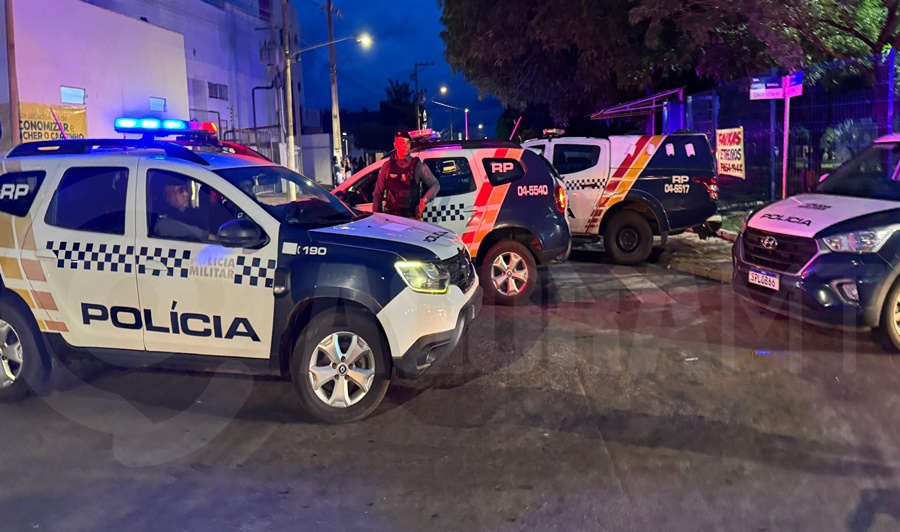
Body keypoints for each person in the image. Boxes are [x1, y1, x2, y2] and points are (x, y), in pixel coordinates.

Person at [372, 130, 440, 218]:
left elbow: (435, 185)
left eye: (408, 142)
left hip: (410, 219)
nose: (405, 146)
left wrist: (423, 201)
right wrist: (376, 216)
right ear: (395, 145)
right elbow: (378, 193)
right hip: (391, 219)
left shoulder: (417, 165)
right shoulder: (387, 166)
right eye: (402, 143)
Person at [152, 174, 211, 242]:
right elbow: (163, 228)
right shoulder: (162, 222)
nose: (186, 194)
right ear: (166, 197)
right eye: (180, 191)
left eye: (186, 189)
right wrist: (207, 236)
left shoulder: (191, 214)